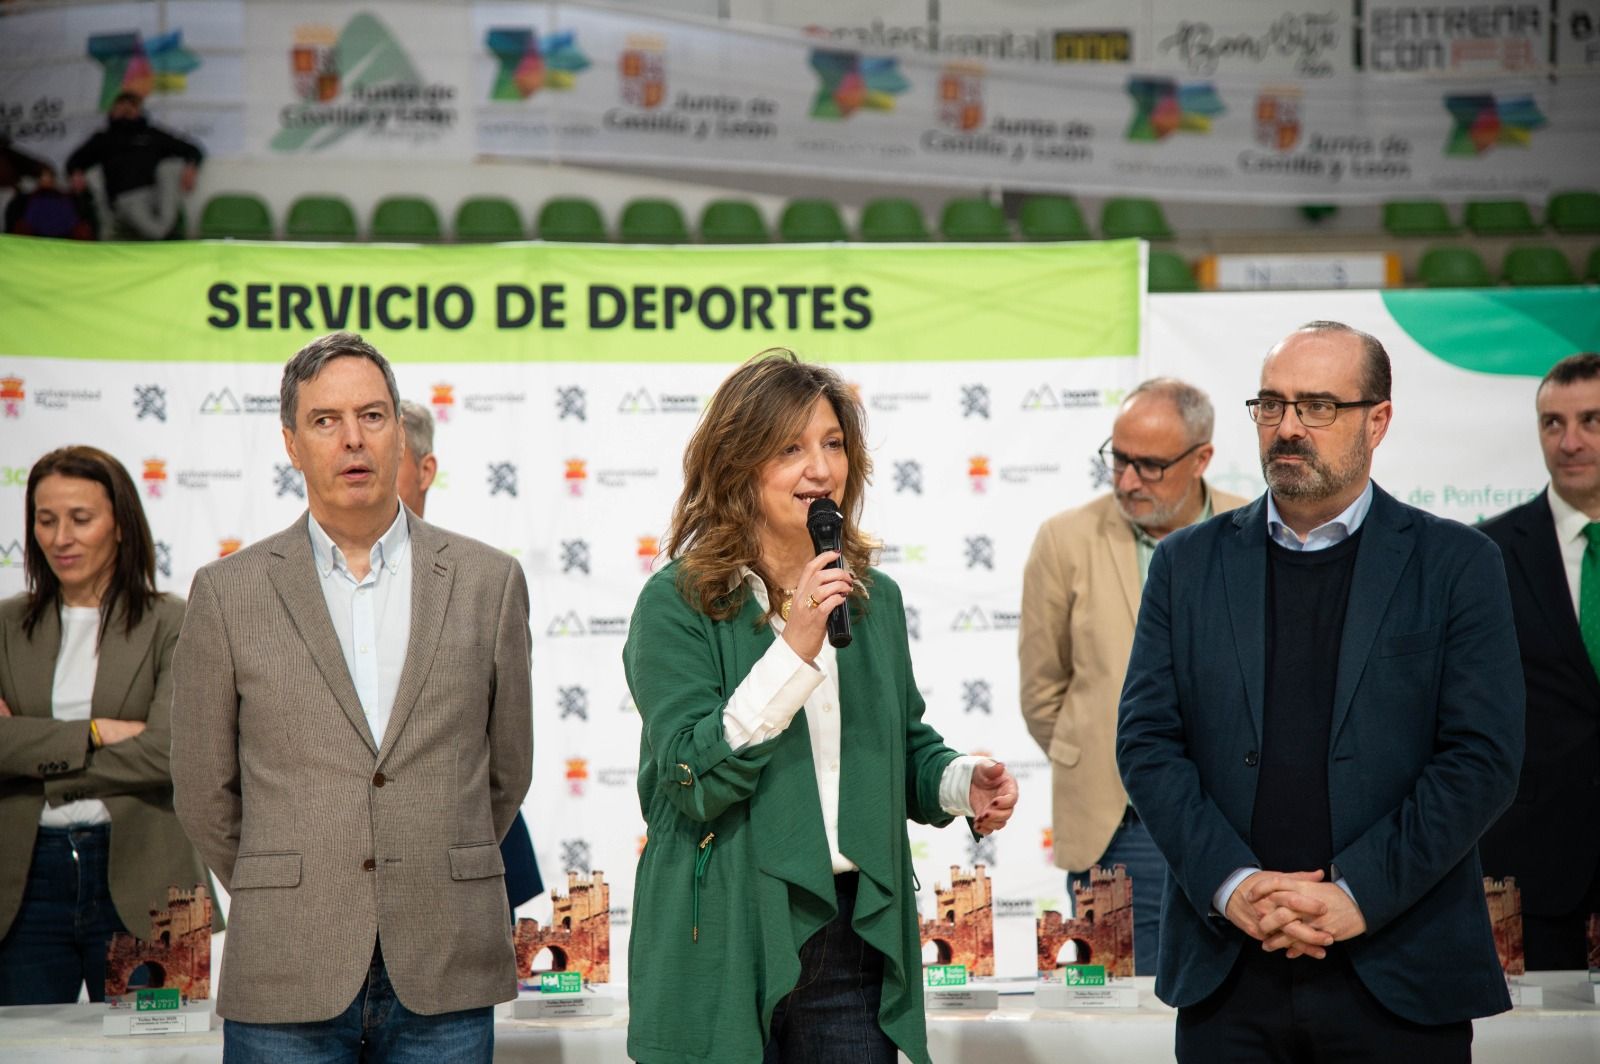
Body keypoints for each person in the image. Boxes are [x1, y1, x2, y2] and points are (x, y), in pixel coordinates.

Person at [1117, 320, 1524, 1061]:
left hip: (1399, 968)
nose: (1289, 429)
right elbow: (1148, 745)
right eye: (1271, 406)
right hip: (1230, 971)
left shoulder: (1458, 563)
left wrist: (1355, 895)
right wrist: (1234, 885)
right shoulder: (1185, 565)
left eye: (1317, 407)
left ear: (1379, 419)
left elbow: (1481, 759)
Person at [623, 350, 1019, 1064]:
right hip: (722, 927)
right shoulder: (676, 604)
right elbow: (691, 774)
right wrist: (794, 648)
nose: (821, 468)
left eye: (834, 445)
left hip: (849, 941)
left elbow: (896, 745)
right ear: (738, 465)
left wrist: (962, 780)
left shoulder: (873, 599)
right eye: (791, 448)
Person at [171, 333, 532, 1063]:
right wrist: (290, 878)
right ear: (291, 443)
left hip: (445, 960)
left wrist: (429, 852)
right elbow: (205, 790)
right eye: (325, 421)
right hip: (287, 959)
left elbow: (507, 769)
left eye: (372, 415)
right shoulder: (226, 593)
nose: (353, 439)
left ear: (401, 432)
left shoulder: (487, 581)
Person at [1019, 378, 1245, 975]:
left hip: (1239, 821)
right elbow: (1043, 691)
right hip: (1115, 826)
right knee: (1121, 1015)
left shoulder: (1251, 532)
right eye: (1117, 459)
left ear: (1201, 459)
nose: (1125, 481)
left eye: (1148, 466)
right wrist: (1102, 758)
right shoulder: (1064, 539)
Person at [0, 445, 218, 1004]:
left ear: (120, 526)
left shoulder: (176, 621)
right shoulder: (4, 625)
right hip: (22, 881)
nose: (60, 538)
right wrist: (95, 732)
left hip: (155, 874)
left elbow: (170, 751)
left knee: (162, 1051)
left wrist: (34, 756)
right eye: (45, 521)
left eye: (80, 519)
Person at [397, 398, 543, 917]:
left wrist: (461, 849)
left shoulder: (484, 582)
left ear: (425, 469)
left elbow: (510, 761)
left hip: (469, 865)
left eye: (388, 457)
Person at [1479, 351, 1600, 970]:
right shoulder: (1486, 553)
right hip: (1536, 867)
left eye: (1590, 421)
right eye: (1553, 423)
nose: (1570, 441)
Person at [66, 91, 202, 240]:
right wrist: (75, 173)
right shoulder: (104, 139)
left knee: (171, 166)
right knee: (158, 232)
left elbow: (192, 150)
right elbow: (75, 161)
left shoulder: (151, 134)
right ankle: (166, 235)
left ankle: (167, 232)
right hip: (128, 198)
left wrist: (191, 168)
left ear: (139, 110)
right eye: (121, 106)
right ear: (113, 110)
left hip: (155, 194)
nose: (126, 109)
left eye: (131, 105)